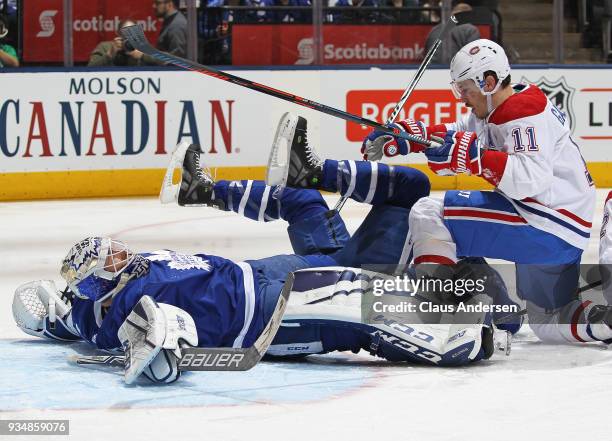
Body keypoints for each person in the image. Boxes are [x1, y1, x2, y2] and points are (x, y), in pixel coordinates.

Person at [12, 113, 517, 385]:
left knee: (378, 191)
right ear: (101, 281)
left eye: (114, 249)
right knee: (355, 307)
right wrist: (155, 344)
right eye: (112, 258)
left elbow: (58, 315)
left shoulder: (94, 302)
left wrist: (51, 311)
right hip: (268, 314)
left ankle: (203, 188)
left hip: (267, 270)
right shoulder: (119, 308)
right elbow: (157, 353)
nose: (121, 253)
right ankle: (465, 339)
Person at [347, 38, 612, 345]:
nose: (462, 98)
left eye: (465, 89)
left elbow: (532, 179)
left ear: (488, 82)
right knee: (549, 320)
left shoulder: (523, 112)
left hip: (546, 223)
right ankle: (605, 324)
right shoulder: (492, 108)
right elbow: (456, 132)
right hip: (560, 230)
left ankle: (434, 311)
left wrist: (476, 159)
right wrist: (410, 138)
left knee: (430, 213)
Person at [144, 0, 188, 65]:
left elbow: (176, 58)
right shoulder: (171, 21)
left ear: (169, 4)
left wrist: (143, 56)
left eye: (157, 3)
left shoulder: (176, 25)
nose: (154, 6)